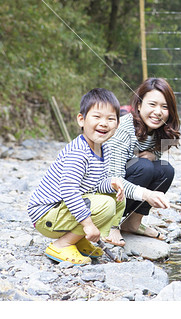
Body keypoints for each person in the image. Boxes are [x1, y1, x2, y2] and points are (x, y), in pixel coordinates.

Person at [27, 88, 126, 265]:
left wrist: (111, 183)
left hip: (63, 210)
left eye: (110, 119)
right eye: (97, 117)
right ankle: (61, 244)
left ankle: (79, 240)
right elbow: (68, 190)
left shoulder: (105, 148)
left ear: (117, 124)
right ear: (81, 120)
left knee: (116, 197)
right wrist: (88, 224)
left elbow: (95, 184)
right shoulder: (78, 152)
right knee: (106, 204)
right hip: (47, 214)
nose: (104, 123)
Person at [107, 78, 181, 240]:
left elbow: (155, 160)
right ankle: (110, 224)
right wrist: (147, 194)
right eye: (152, 105)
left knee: (165, 170)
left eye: (165, 107)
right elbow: (112, 179)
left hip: (127, 182)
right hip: (103, 190)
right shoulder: (124, 129)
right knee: (144, 167)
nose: (158, 112)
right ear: (139, 105)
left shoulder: (159, 130)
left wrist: (154, 155)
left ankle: (132, 223)